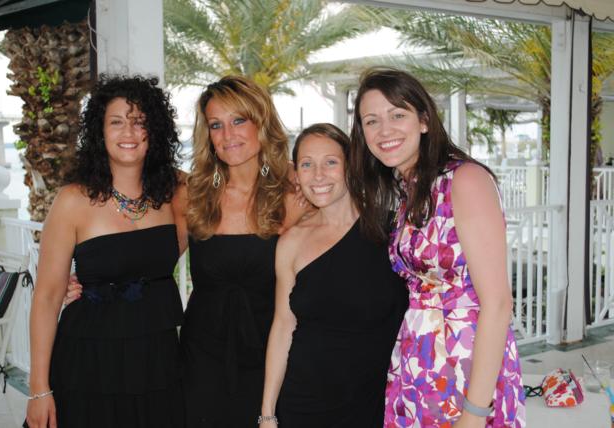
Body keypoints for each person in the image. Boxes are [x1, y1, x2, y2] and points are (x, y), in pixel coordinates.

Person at [350, 68, 526, 427]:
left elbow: (497, 303)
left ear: (424, 121)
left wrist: (475, 413)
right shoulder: (408, 190)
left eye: (397, 115)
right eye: (371, 121)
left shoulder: (465, 180)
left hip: (466, 367)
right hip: (419, 365)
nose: (384, 130)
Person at [25, 75, 186, 428]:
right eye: (116, 122)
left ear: (154, 131)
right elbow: (48, 297)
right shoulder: (72, 200)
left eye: (139, 121)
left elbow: (227, 182)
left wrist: (289, 175)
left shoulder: (176, 192)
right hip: (87, 361)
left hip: (156, 364)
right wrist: (38, 389)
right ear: (100, 132)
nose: (128, 132)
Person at [178, 75, 307, 427]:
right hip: (201, 360)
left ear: (261, 123)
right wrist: (89, 280)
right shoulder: (193, 195)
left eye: (238, 120)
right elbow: (150, 259)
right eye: (215, 125)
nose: (227, 135)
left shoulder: (296, 193)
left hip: (272, 359)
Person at [260, 123, 407, 428]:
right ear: (296, 173)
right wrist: (268, 414)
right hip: (303, 405)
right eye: (307, 164)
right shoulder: (291, 242)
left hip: (377, 405)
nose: (318, 175)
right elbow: (283, 326)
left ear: (350, 167)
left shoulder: (392, 232)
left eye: (330, 162)